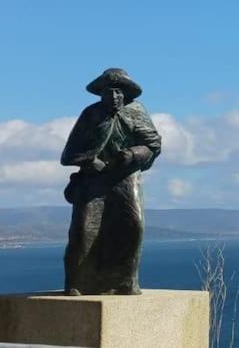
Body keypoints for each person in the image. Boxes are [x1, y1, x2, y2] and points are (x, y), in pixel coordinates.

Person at [60, 68, 162, 295]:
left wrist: (133, 155)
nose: (114, 98)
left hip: (125, 176)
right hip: (93, 180)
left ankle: (124, 281)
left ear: (126, 94)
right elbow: (68, 154)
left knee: (133, 225)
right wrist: (89, 161)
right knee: (85, 229)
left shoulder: (136, 112)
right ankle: (79, 281)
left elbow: (153, 145)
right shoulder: (91, 114)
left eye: (119, 93)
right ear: (101, 95)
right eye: (109, 93)